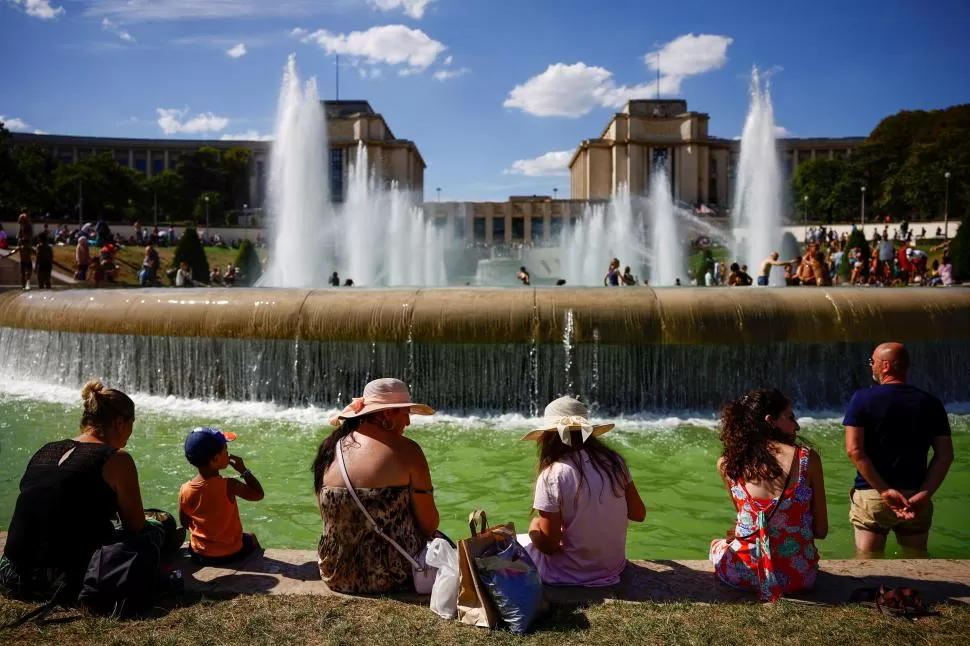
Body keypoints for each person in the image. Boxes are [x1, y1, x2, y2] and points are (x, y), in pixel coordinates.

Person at [0, 381, 154, 600]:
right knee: (155, 530)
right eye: (132, 424)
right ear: (120, 423)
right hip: (61, 580)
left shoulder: (47, 449)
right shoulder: (117, 459)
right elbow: (136, 526)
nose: (130, 433)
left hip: (10, 573)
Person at [313, 378, 439, 594]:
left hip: (335, 573)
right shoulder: (408, 451)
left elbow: (325, 517)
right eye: (405, 413)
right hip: (393, 575)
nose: (408, 423)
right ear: (387, 413)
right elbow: (428, 524)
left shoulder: (330, 448)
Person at [710, 388, 828, 600]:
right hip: (798, 577)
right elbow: (820, 530)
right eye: (790, 417)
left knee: (717, 545)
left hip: (742, 575)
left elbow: (747, 520)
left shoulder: (728, 464)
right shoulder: (806, 460)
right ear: (770, 420)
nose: (797, 425)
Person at [520, 396, 646, 586]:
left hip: (567, 575)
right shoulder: (616, 463)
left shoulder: (552, 475)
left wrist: (533, 530)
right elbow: (638, 514)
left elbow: (549, 546)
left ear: (547, 437)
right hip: (613, 567)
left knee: (516, 544)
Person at [843, 343, 953, 558]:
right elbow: (945, 455)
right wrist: (925, 493)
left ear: (885, 366)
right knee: (917, 560)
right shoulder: (931, 403)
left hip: (874, 494)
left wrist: (884, 491)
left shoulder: (862, 399)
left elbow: (855, 451)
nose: (871, 366)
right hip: (915, 497)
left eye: (872, 362)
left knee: (869, 565)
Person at [179, 427, 264, 565]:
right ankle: (259, 565)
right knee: (252, 537)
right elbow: (258, 495)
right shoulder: (229, 485)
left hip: (199, 554)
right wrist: (243, 470)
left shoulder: (185, 489)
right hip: (230, 553)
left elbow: (184, 523)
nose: (228, 453)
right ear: (215, 459)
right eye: (225, 450)